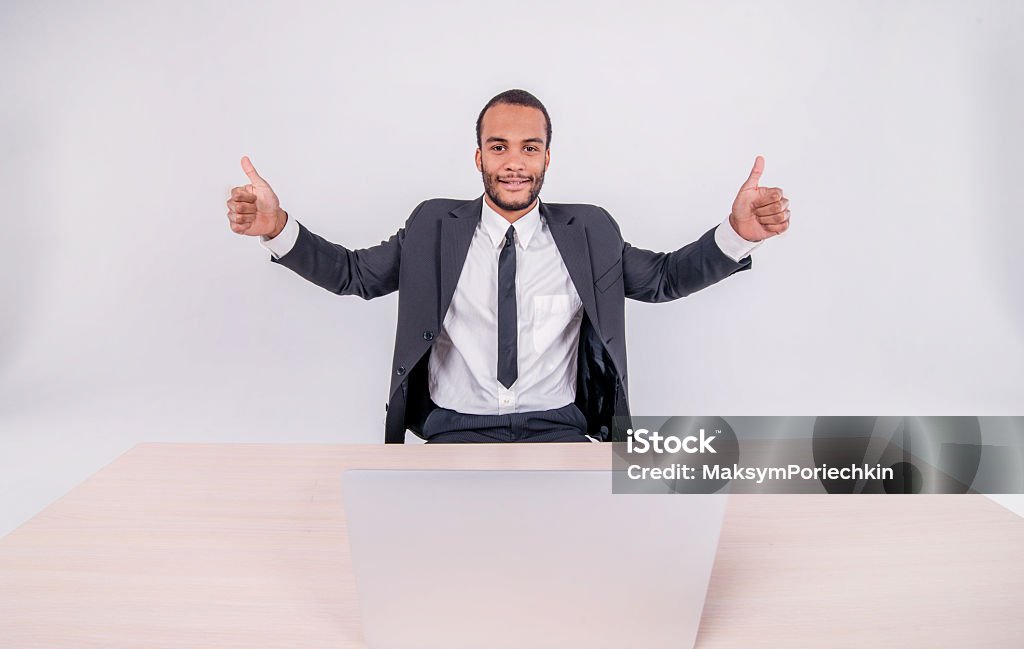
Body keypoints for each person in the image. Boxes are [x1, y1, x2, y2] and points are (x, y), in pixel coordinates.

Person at [225, 89, 790, 444]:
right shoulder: (432, 226)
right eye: (498, 147)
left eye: (529, 147)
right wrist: (277, 228)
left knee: (583, 568)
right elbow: (355, 274)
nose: (514, 162)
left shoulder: (590, 231)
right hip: (455, 429)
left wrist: (738, 233)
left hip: (558, 427)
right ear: (478, 157)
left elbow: (663, 278)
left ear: (547, 156)